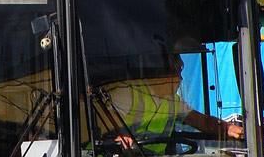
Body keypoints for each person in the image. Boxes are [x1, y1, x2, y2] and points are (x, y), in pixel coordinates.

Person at [104, 54, 243, 151]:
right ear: (161, 75)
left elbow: (203, 122)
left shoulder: (173, 101)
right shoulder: (128, 92)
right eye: (176, 73)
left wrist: (228, 129)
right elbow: (108, 126)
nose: (180, 78)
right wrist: (119, 137)